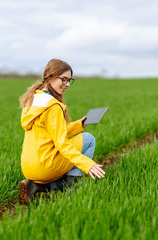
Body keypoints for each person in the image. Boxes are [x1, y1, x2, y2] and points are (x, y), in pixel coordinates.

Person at [18, 59, 105, 205]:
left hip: (29, 167)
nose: (67, 84)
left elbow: (52, 133)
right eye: (63, 79)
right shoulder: (53, 106)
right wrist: (87, 164)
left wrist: (79, 124)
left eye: (70, 80)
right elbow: (62, 144)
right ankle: (71, 188)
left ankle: (37, 185)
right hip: (46, 167)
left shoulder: (33, 100)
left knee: (69, 149)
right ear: (51, 76)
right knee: (88, 139)